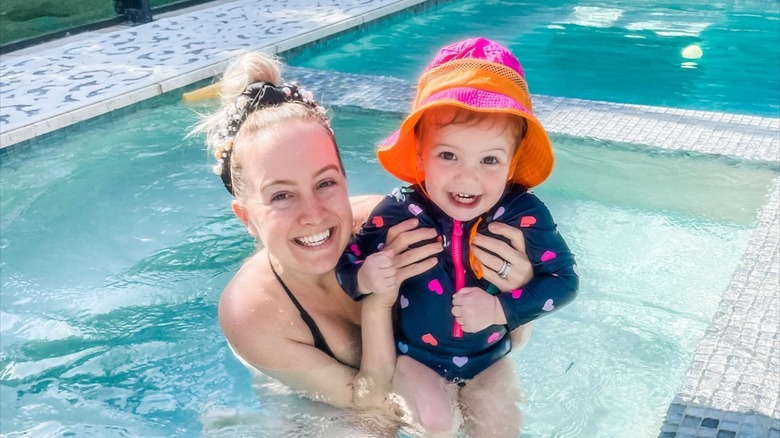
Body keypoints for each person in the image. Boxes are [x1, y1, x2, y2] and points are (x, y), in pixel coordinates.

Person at [190, 51, 536, 435]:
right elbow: (368, 400)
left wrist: (517, 291)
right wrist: (379, 302)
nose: (314, 214)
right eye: (281, 196)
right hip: (323, 400)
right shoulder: (252, 312)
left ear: (345, 180)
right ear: (246, 218)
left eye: (325, 183)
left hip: (419, 376)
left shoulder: (394, 227)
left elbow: (503, 345)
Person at [336, 37, 580, 436]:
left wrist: (501, 311)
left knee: (501, 429)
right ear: (419, 155)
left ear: (512, 162)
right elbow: (348, 259)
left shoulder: (523, 214)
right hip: (416, 355)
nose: (468, 178)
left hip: (490, 357)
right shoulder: (401, 210)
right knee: (435, 425)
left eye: (489, 160)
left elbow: (565, 281)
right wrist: (363, 278)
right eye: (448, 155)